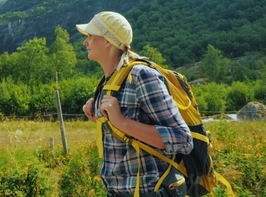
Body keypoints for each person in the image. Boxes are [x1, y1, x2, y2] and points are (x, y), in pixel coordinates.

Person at [78, 11, 193, 197]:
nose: (85, 42)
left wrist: (122, 122)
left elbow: (183, 140)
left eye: (91, 36)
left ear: (108, 41)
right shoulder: (108, 82)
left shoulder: (141, 76)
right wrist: (99, 113)